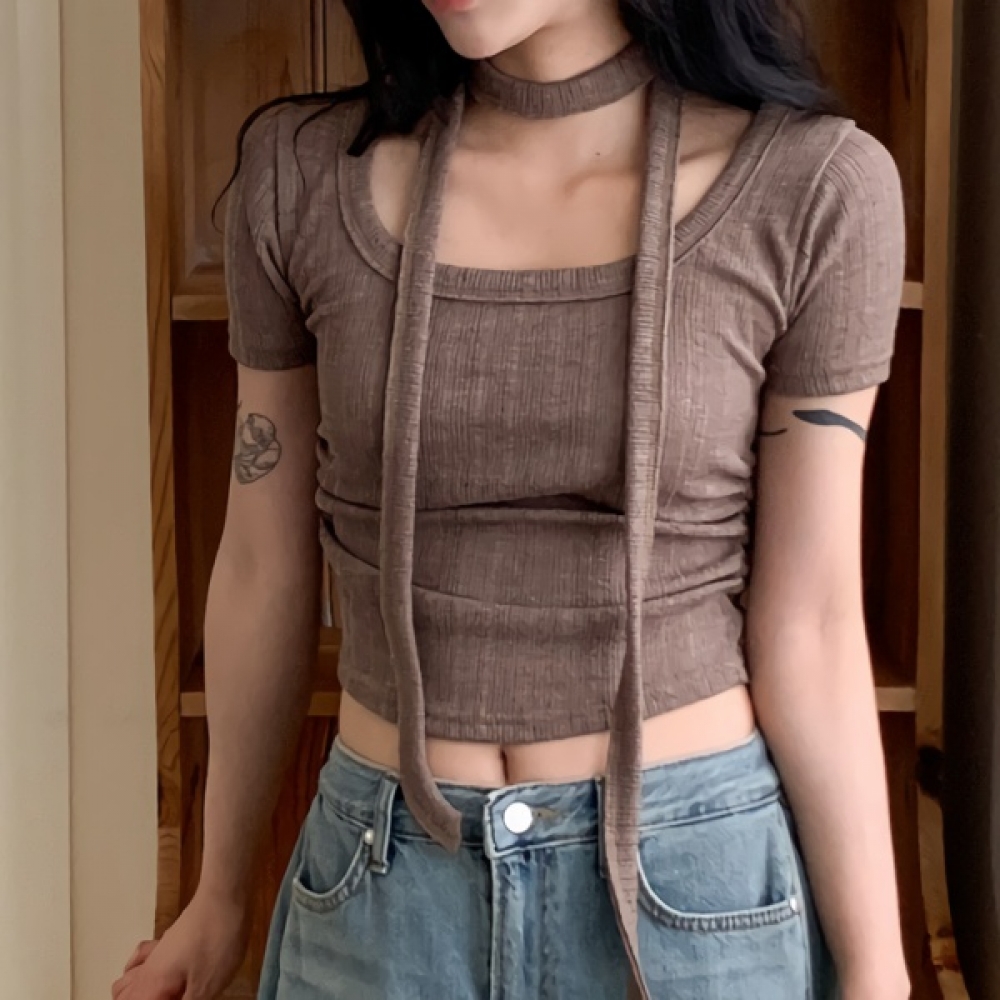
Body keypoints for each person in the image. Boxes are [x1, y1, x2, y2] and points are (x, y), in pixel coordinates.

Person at [114, 1, 911, 998]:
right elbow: (259, 563)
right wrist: (218, 892)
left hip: (693, 887)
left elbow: (814, 617)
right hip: (378, 883)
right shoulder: (300, 174)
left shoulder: (815, 187)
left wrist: (877, 967)